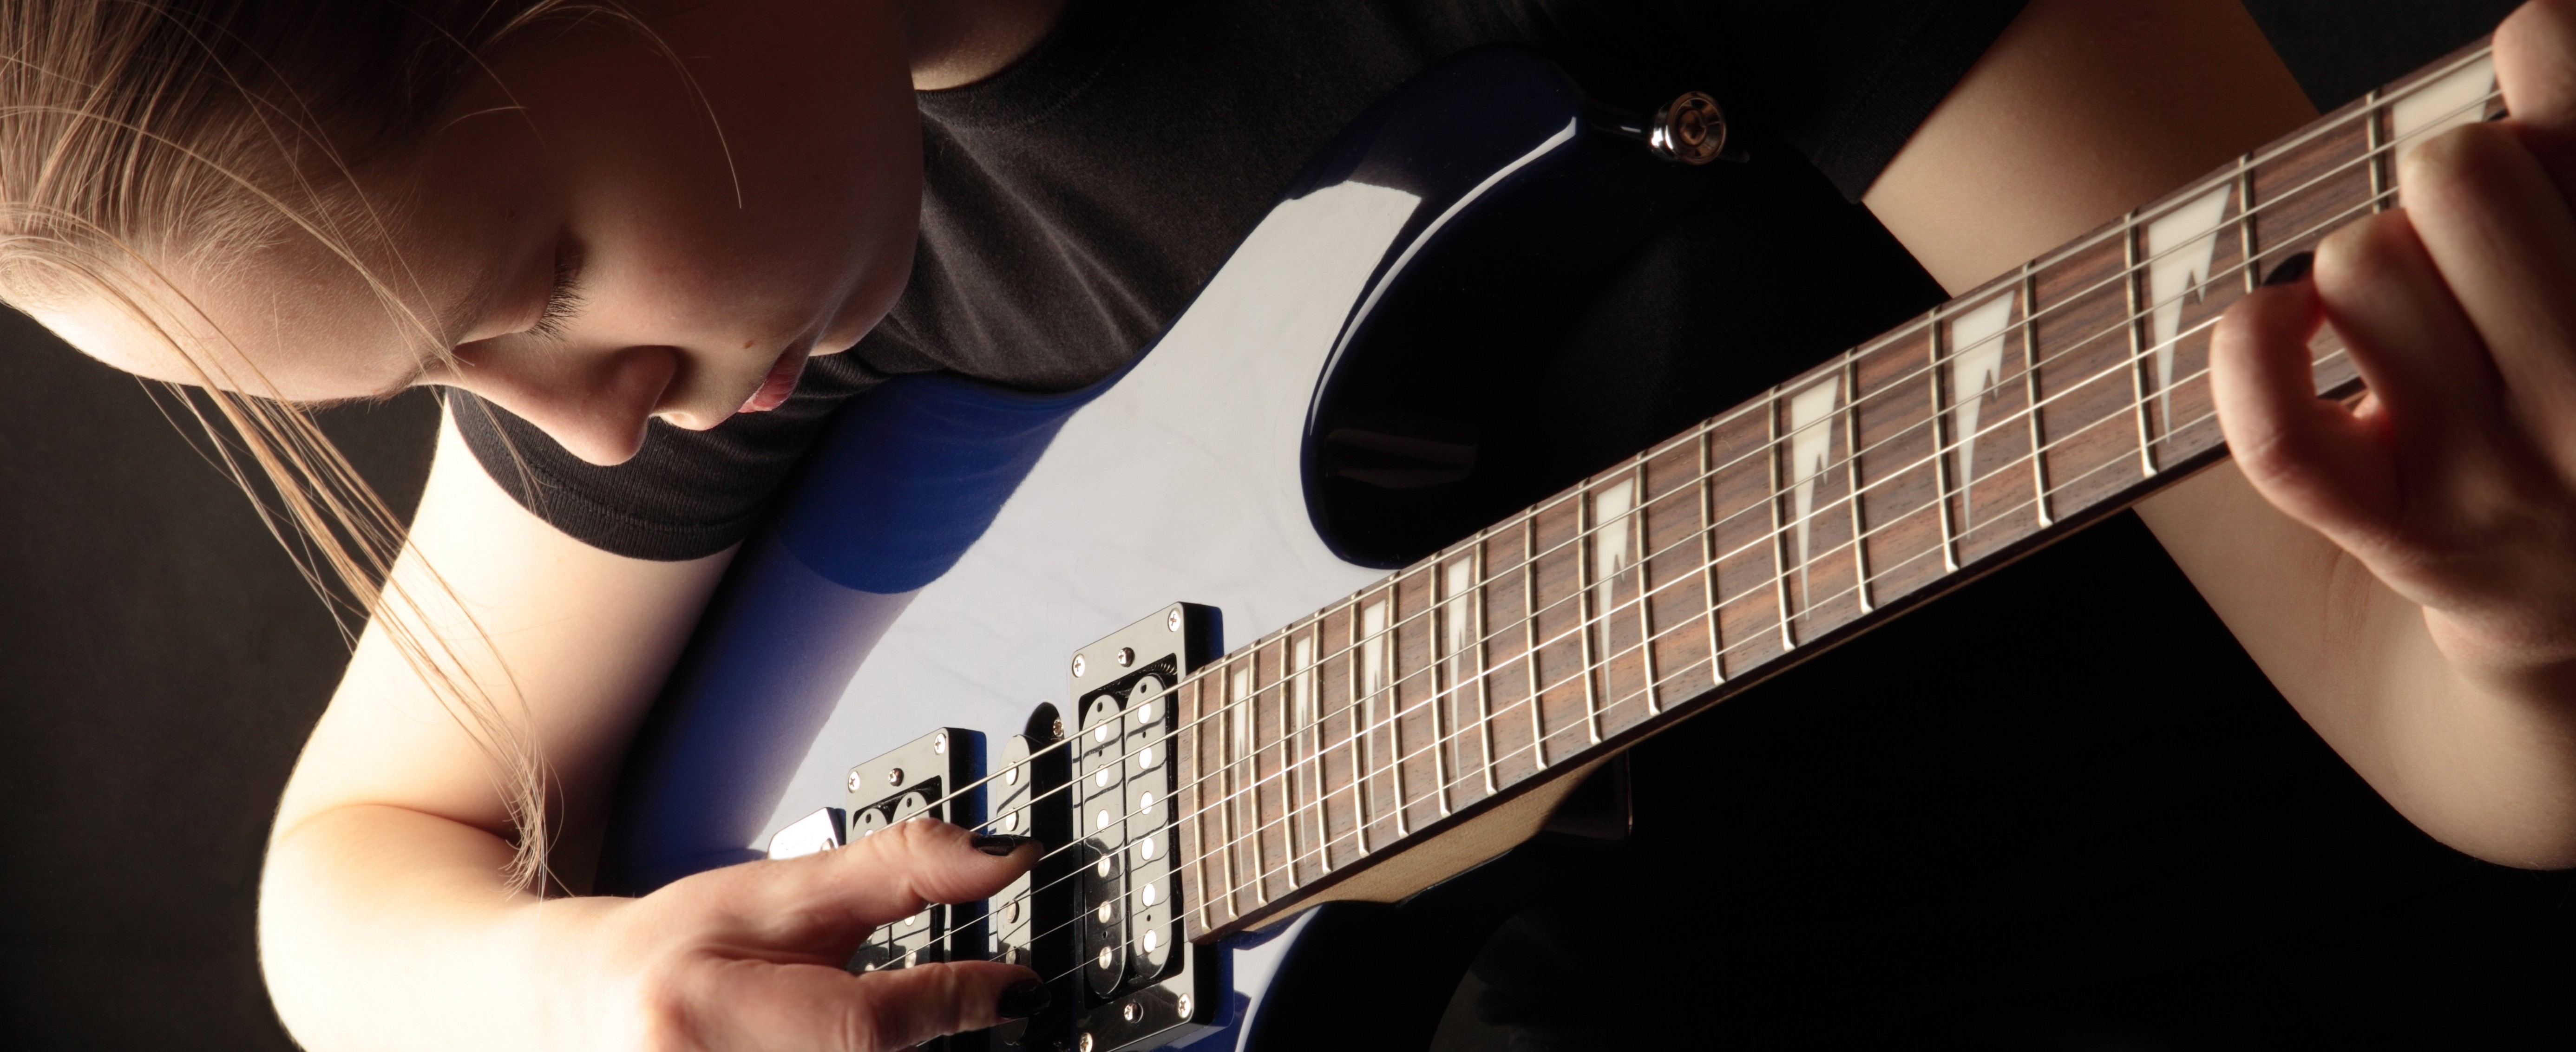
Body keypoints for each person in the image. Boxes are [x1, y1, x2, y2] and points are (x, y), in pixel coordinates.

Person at [7, 0, 2576, 1047]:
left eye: (525, 282)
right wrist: (586, 1005)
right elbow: (354, 877)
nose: (562, 421)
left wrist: (2530, 615)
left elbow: (2452, 750)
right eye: (447, 371)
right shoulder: (768, 261)